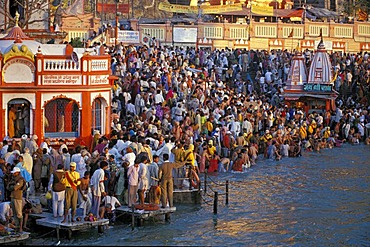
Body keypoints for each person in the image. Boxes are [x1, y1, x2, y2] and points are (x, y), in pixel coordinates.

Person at [6, 167, 26, 232]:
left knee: (19, 213)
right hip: (12, 197)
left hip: (18, 197)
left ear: (17, 172)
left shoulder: (21, 179)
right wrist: (11, 186)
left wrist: (11, 186)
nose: (13, 174)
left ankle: (20, 227)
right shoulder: (13, 179)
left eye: (14, 173)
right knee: (14, 213)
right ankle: (17, 227)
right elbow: (8, 187)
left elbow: (15, 187)